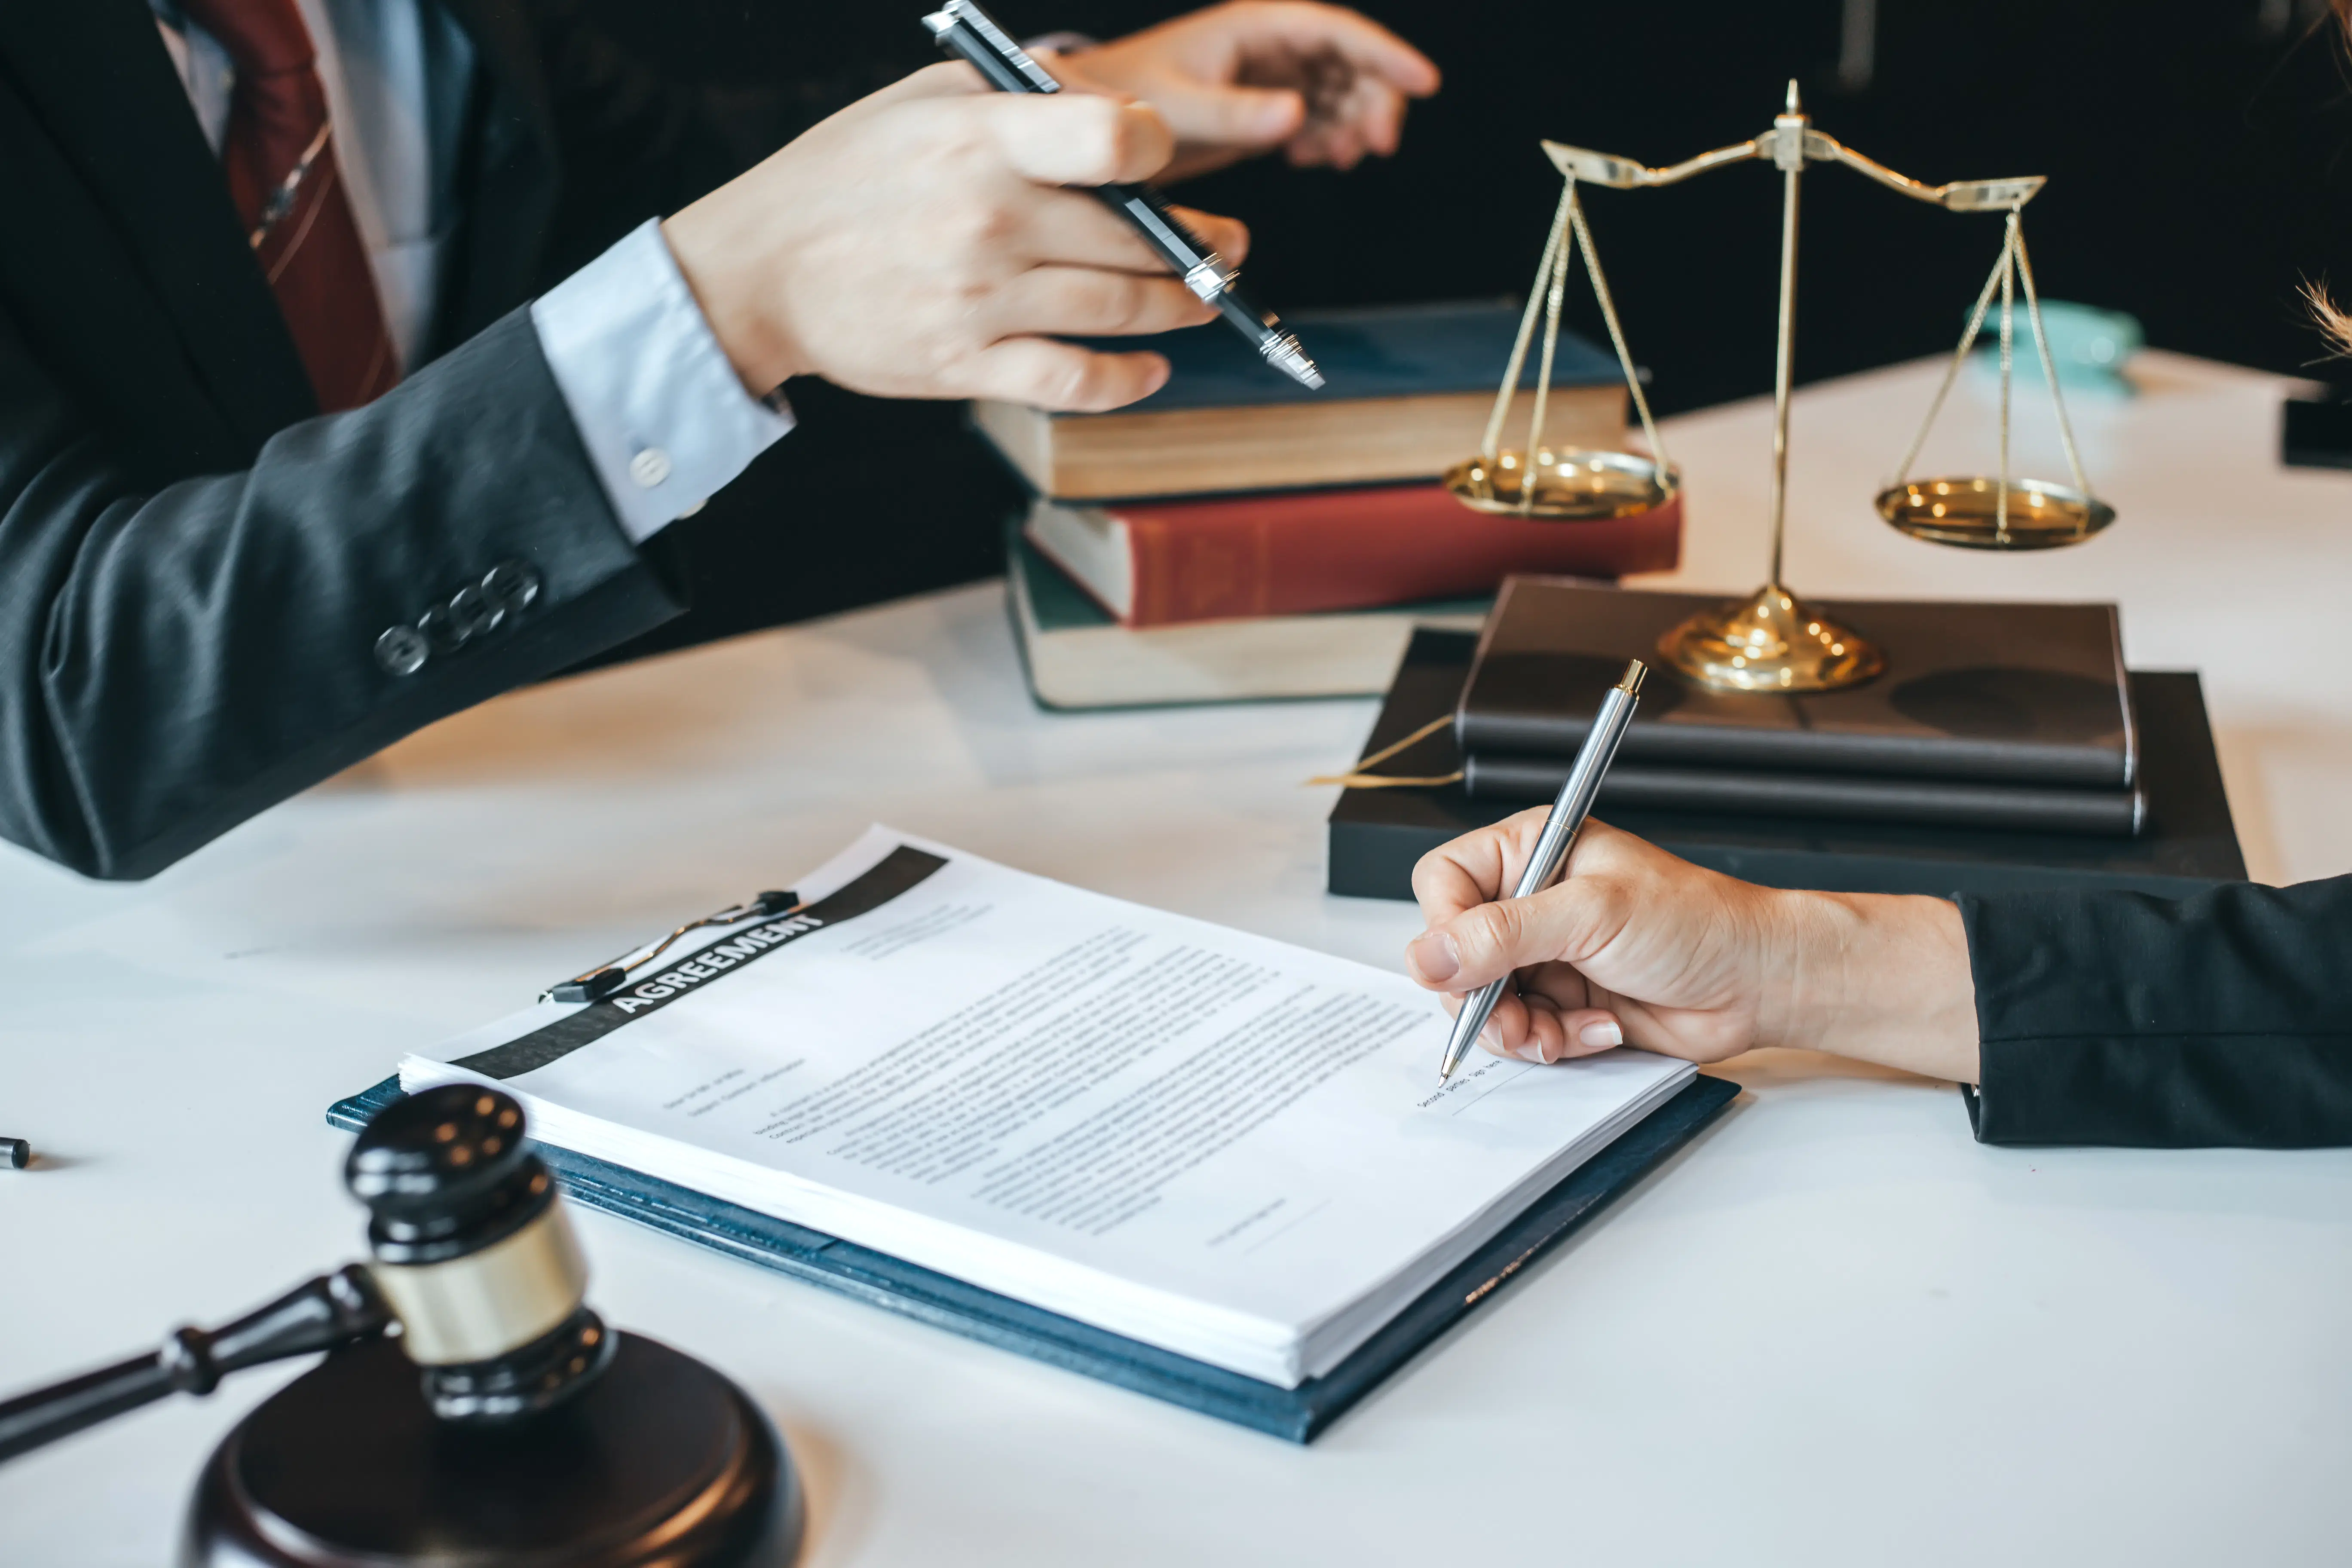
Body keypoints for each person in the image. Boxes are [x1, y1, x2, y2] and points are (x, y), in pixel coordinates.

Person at [0, 1, 1437, 880]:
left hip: (516, 822)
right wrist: (734, 296)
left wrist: (1065, 105)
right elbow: (66, 701)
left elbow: (638, 174)